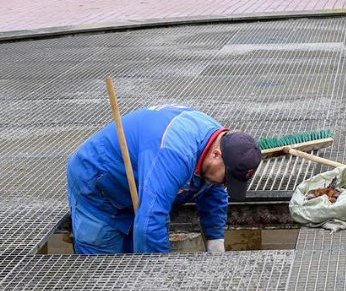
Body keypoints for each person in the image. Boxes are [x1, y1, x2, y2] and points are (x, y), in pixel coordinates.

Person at [66, 105, 262, 254]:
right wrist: (160, 279)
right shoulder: (173, 154)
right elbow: (150, 223)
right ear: (216, 155)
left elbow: (213, 191)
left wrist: (215, 238)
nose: (226, 185)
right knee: (105, 273)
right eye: (227, 179)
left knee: (134, 252)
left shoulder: (220, 142)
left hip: (141, 181)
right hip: (98, 184)